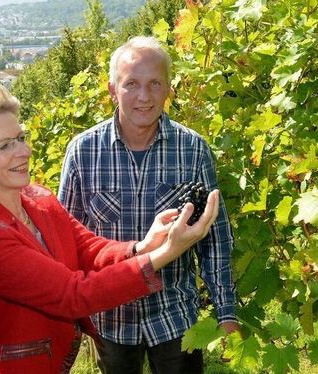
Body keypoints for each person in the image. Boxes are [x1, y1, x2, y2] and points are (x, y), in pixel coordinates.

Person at [0, 83, 221, 374]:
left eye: (20, 138)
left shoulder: (38, 197)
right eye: (5, 145)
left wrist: (143, 246)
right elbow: (73, 295)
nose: (24, 151)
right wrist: (166, 253)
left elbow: (87, 247)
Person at [58, 36, 240, 374]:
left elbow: (215, 239)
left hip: (174, 316)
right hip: (111, 319)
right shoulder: (83, 152)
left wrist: (225, 313)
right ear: (113, 90)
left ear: (169, 88)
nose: (144, 96)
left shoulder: (192, 149)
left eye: (155, 83)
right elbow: (66, 241)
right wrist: (68, 315)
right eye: (132, 84)